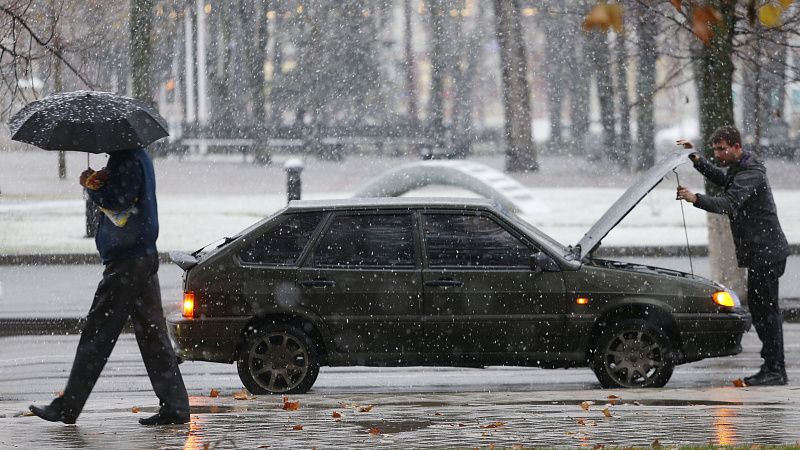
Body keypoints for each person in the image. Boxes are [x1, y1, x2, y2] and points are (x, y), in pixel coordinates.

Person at [29, 148, 190, 425]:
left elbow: (118, 200)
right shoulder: (137, 156)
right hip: (141, 255)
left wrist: (92, 187)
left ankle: (67, 407)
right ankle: (175, 406)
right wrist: (102, 179)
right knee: (153, 335)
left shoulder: (124, 159)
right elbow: (128, 194)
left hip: (127, 261)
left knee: (97, 333)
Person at [676, 125, 790, 386]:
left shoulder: (751, 173)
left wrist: (696, 198)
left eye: (722, 149)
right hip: (761, 252)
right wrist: (696, 159)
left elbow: (729, 203)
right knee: (763, 311)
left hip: (767, 253)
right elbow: (722, 178)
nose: (718, 154)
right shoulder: (741, 168)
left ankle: (775, 369)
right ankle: (773, 367)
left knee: (766, 313)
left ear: (737, 147)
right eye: (715, 149)